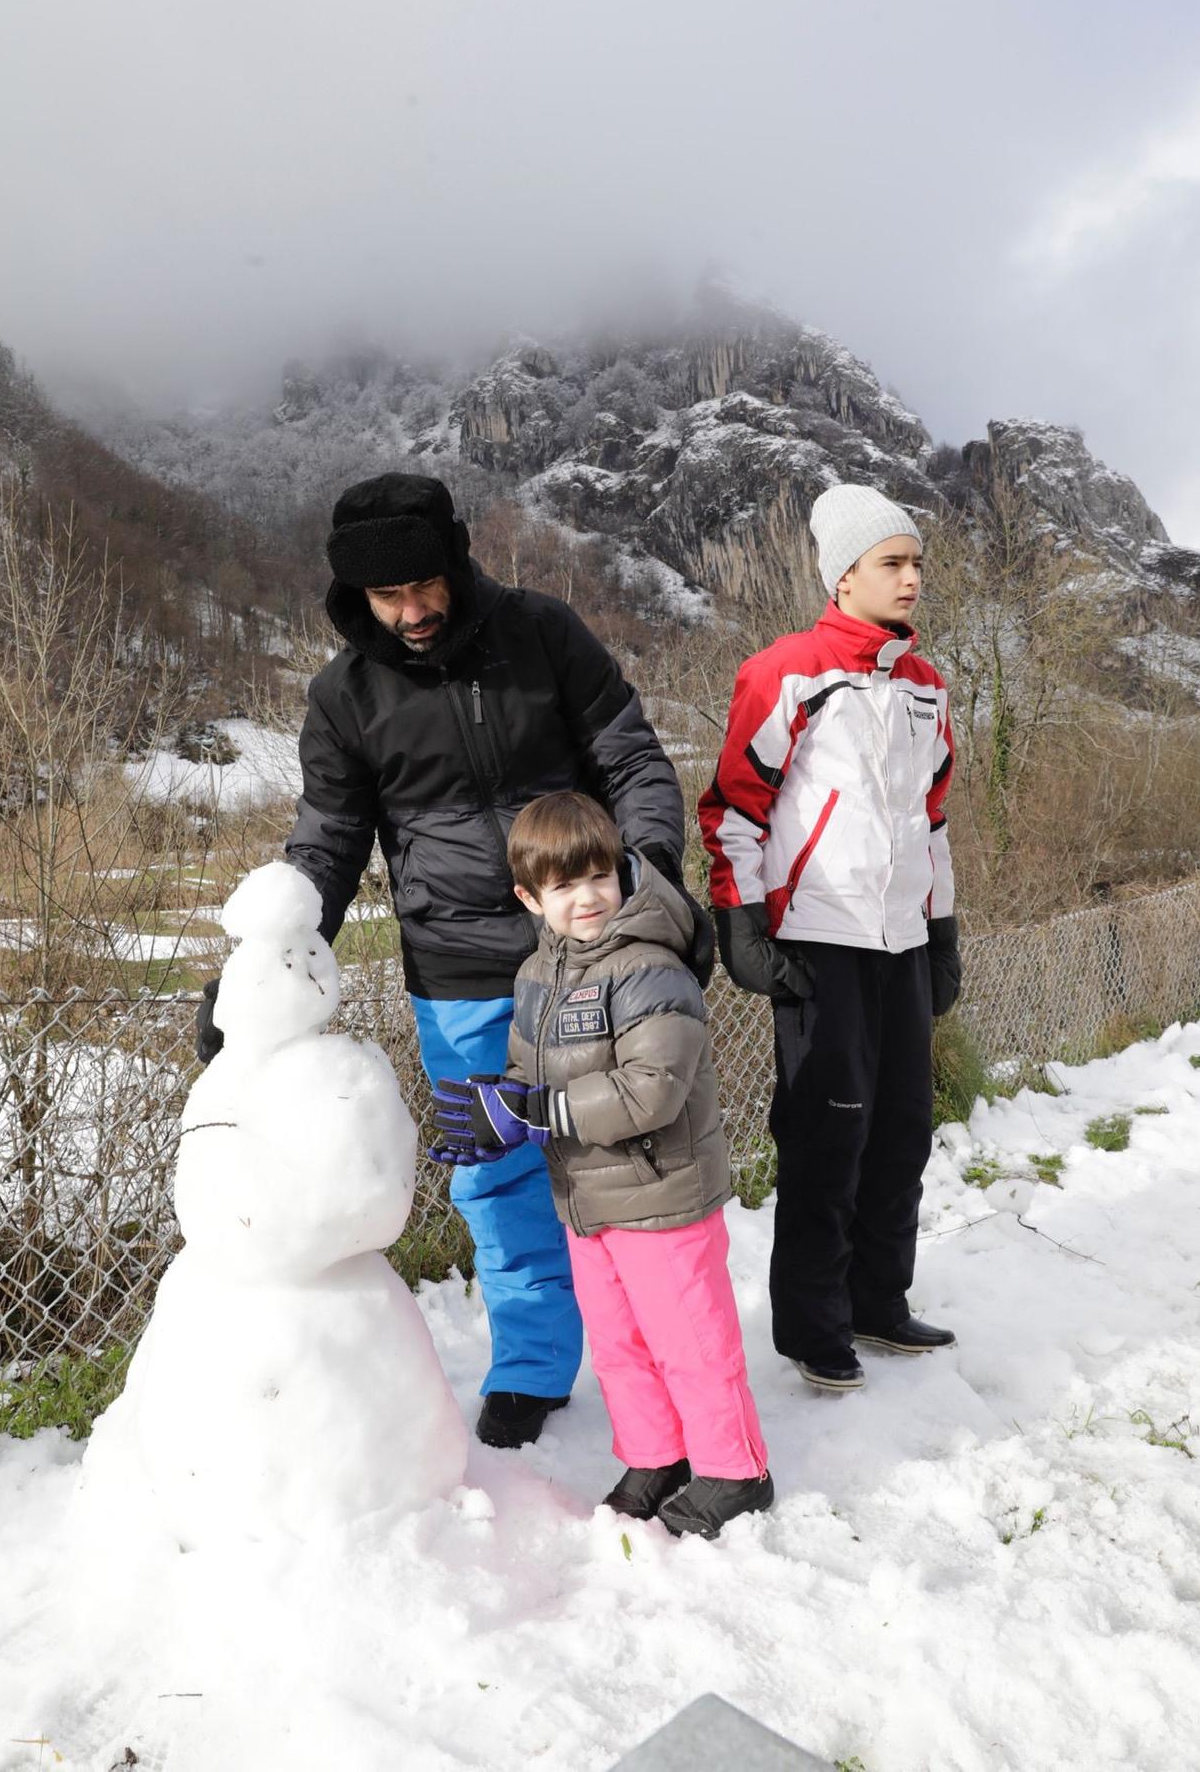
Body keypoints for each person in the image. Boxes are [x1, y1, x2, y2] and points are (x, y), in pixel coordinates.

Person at [197, 473, 698, 1450]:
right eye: (389, 596)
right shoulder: (344, 696)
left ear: (456, 561)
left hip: (593, 955)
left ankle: (669, 1351)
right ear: (355, 597)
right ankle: (532, 1365)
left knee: (631, 1155)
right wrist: (260, 969)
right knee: (497, 1173)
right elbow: (327, 841)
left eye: (426, 583)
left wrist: (656, 882)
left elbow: (632, 759)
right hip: (460, 977)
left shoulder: (543, 634)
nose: (414, 609)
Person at [429, 791, 772, 1541]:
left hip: (662, 1195)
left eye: (598, 877)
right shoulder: (535, 977)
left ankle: (734, 1470)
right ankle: (657, 1455)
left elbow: (650, 1092)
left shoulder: (649, 967)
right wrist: (496, 1116)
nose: (586, 898)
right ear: (529, 897)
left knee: (688, 1339)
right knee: (619, 1343)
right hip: (585, 1200)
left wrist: (536, 1112)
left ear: (619, 872)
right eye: (563, 886)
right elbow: (526, 1075)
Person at [699, 484, 961, 1391]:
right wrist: (741, 923)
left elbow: (930, 821)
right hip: (820, 943)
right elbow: (734, 807)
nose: (911, 578)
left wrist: (942, 931)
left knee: (901, 1130)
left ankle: (877, 1302)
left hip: (900, 944)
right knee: (827, 1135)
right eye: (891, 563)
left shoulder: (925, 687)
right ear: (841, 575)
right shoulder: (788, 671)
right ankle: (814, 1329)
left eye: (916, 562)